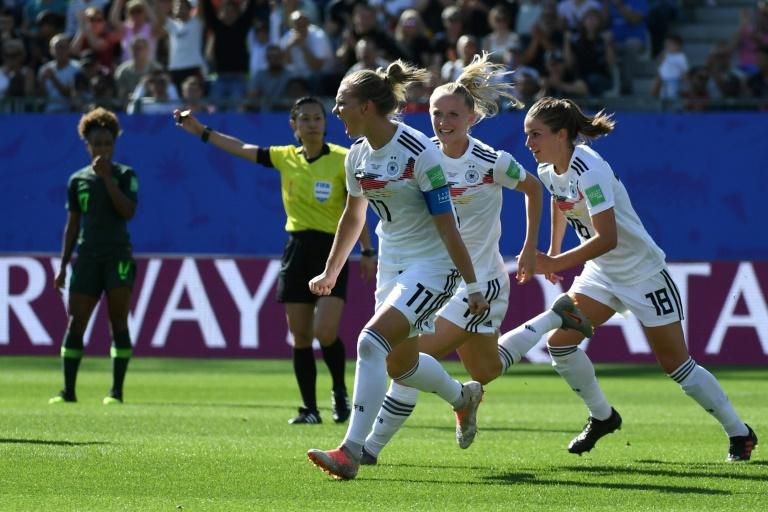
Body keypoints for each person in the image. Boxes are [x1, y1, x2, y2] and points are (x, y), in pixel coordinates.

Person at [358, 53, 593, 464]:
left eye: (452, 114)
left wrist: (526, 247)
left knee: (411, 357)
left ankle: (366, 449)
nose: (443, 121)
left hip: (478, 284)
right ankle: (554, 317)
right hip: (433, 277)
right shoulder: (423, 156)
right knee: (485, 370)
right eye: (436, 113)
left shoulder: (489, 161)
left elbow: (535, 189)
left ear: (471, 118)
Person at [523, 96, 758, 461]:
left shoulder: (591, 168)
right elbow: (561, 202)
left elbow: (608, 238)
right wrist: (554, 252)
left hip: (643, 274)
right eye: (528, 135)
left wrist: (558, 260)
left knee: (677, 366)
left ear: (562, 134)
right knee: (560, 345)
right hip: (601, 274)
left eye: (536, 135)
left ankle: (739, 433)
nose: (529, 144)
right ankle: (603, 416)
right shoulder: (548, 170)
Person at [305, 60, 489, 481]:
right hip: (393, 266)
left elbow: (448, 224)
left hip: (435, 267)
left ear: (368, 106)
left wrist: (473, 284)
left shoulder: (419, 152)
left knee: (370, 343)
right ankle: (463, 398)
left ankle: (350, 451)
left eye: (341, 103)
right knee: (401, 366)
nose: (336, 112)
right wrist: (332, 270)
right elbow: (354, 218)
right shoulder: (356, 156)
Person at [173, 96, 376, 425]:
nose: (312, 124)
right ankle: (309, 408)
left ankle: (340, 392)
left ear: (326, 124)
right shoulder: (284, 157)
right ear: (293, 125)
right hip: (296, 250)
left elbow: (356, 212)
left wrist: (367, 251)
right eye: (305, 119)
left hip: (331, 250)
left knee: (326, 332)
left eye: (317, 118)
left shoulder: (343, 159)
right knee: (299, 336)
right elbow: (240, 148)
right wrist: (200, 131)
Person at [49, 107, 138, 405]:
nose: (102, 149)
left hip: (118, 256)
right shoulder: (77, 181)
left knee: (118, 322)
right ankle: (68, 391)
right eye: (96, 143)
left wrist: (107, 180)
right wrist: (62, 266)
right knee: (76, 322)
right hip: (87, 257)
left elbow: (127, 211)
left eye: (107, 143)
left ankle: (116, 391)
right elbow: (72, 226)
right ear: (87, 144)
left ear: (114, 144)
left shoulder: (125, 175)